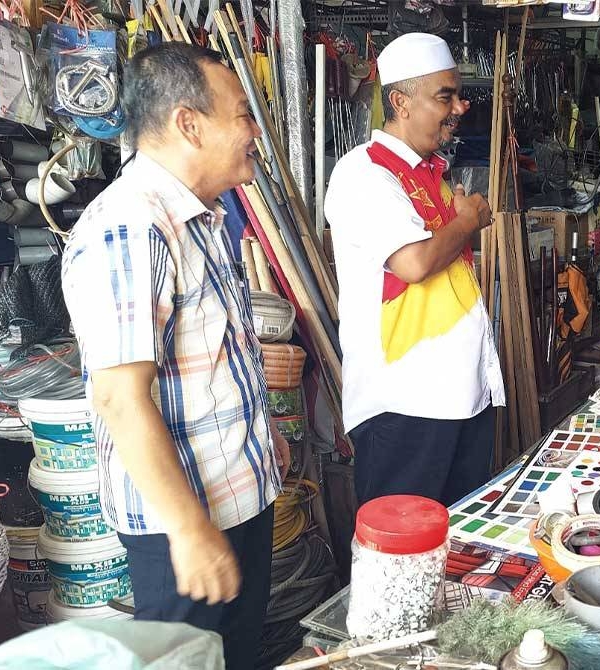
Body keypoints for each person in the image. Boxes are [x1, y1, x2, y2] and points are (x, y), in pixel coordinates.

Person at [61, 43, 290, 670]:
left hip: (237, 497)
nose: (254, 132)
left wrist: (261, 439)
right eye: (243, 115)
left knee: (237, 659)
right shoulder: (130, 227)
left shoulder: (203, 218)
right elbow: (118, 398)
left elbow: (212, 358)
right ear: (190, 123)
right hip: (181, 525)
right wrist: (189, 530)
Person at [324, 33, 505, 507]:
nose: (460, 107)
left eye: (458, 94)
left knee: (459, 545)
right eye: (445, 96)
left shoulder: (431, 172)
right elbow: (414, 262)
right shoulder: (365, 173)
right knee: (399, 558)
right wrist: (467, 220)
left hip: (460, 398)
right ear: (400, 102)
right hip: (405, 406)